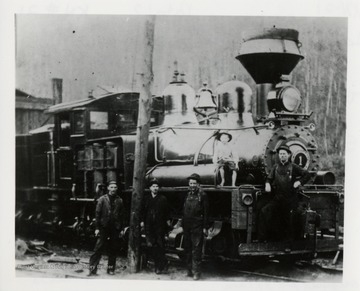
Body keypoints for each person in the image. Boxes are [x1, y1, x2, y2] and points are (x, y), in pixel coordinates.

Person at [257, 145, 311, 242]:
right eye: (280, 154)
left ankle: (289, 243)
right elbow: (269, 178)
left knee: (290, 218)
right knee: (264, 211)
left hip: (291, 199)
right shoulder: (275, 167)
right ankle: (263, 239)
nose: (282, 156)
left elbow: (307, 174)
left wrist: (299, 182)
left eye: (284, 154)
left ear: (289, 155)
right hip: (278, 198)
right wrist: (267, 184)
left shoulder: (293, 167)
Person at [89, 181, 124, 276]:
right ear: (108, 188)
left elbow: (121, 216)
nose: (113, 189)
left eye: (115, 187)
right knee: (98, 248)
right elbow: (97, 214)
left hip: (114, 228)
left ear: (117, 189)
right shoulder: (102, 199)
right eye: (111, 187)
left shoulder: (120, 200)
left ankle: (111, 269)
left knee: (113, 249)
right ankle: (92, 269)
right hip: (103, 227)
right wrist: (97, 228)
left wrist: (121, 229)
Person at [181, 173, 209, 280]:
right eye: (190, 183)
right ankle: (189, 270)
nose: (192, 185)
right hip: (187, 226)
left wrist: (205, 227)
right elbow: (184, 210)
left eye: (194, 183)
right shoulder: (187, 194)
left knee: (196, 249)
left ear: (198, 184)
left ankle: (196, 272)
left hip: (197, 226)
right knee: (187, 249)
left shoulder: (203, 195)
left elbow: (206, 212)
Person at [141, 179, 171, 274]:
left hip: (160, 227)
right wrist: (142, 221)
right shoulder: (146, 199)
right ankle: (162, 262)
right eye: (153, 186)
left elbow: (167, 213)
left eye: (157, 186)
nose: (155, 188)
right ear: (150, 188)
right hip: (149, 226)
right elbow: (142, 212)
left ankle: (159, 267)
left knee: (160, 246)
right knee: (151, 245)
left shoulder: (163, 199)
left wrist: (168, 223)